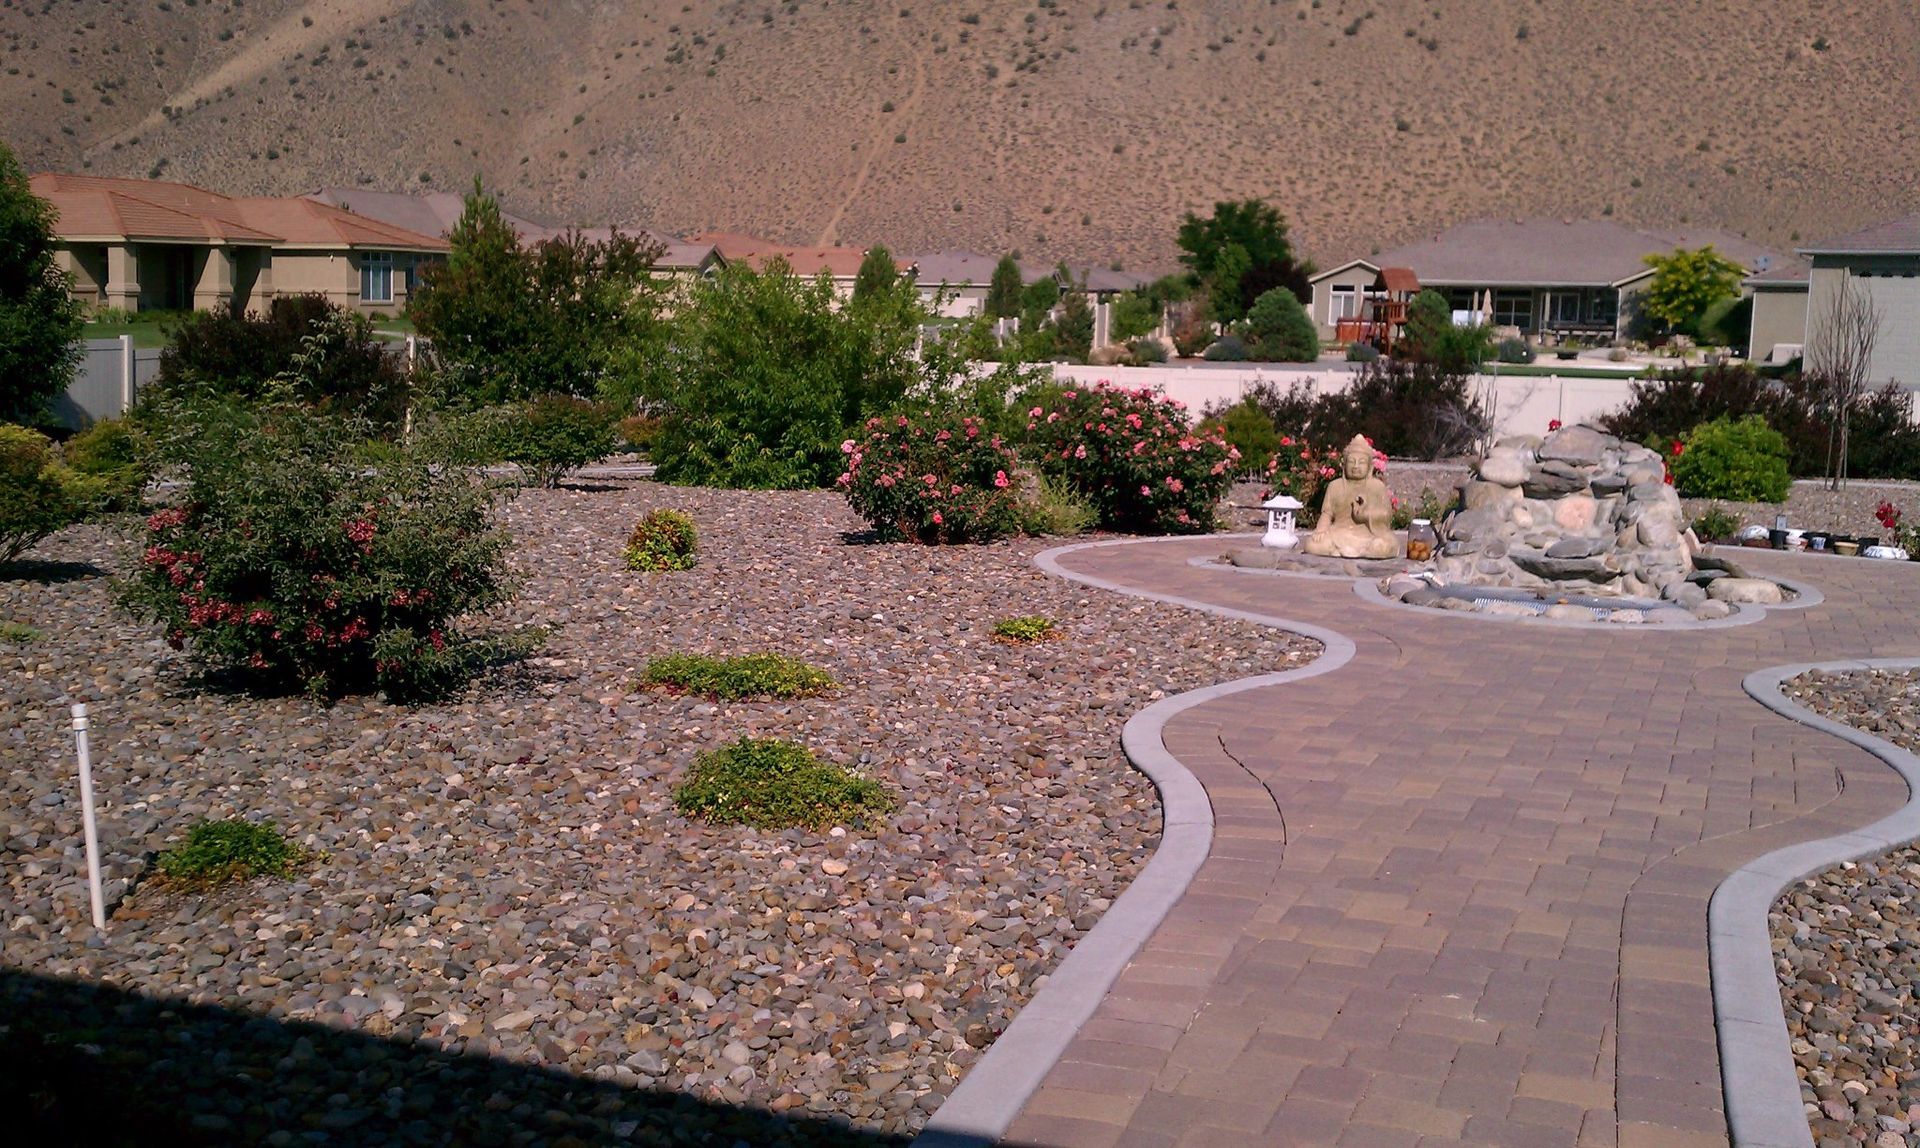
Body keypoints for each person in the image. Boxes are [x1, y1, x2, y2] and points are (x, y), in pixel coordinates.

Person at [1302, 435, 1397, 559]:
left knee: (1383, 546)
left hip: (1368, 534)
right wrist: (1321, 529)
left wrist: (1365, 515)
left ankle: (1364, 550)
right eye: (1352, 462)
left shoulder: (1377, 486)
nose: (1356, 466)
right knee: (1312, 544)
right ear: (1344, 465)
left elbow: (1386, 514)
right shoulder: (1335, 486)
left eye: (1361, 462)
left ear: (1369, 468)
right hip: (1340, 533)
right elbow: (1327, 513)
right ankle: (1349, 551)